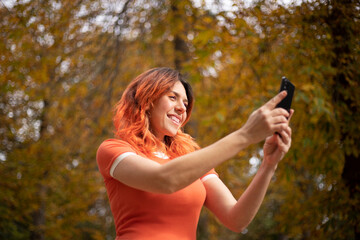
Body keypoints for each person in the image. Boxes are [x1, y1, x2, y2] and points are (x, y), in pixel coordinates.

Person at [96, 67, 293, 240]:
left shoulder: (189, 160)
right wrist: (245, 135)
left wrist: (268, 165)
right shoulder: (114, 149)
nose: (182, 108)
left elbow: (236, 219)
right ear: (147, 101)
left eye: (185, 102)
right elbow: (164, 180)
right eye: (172, 97)